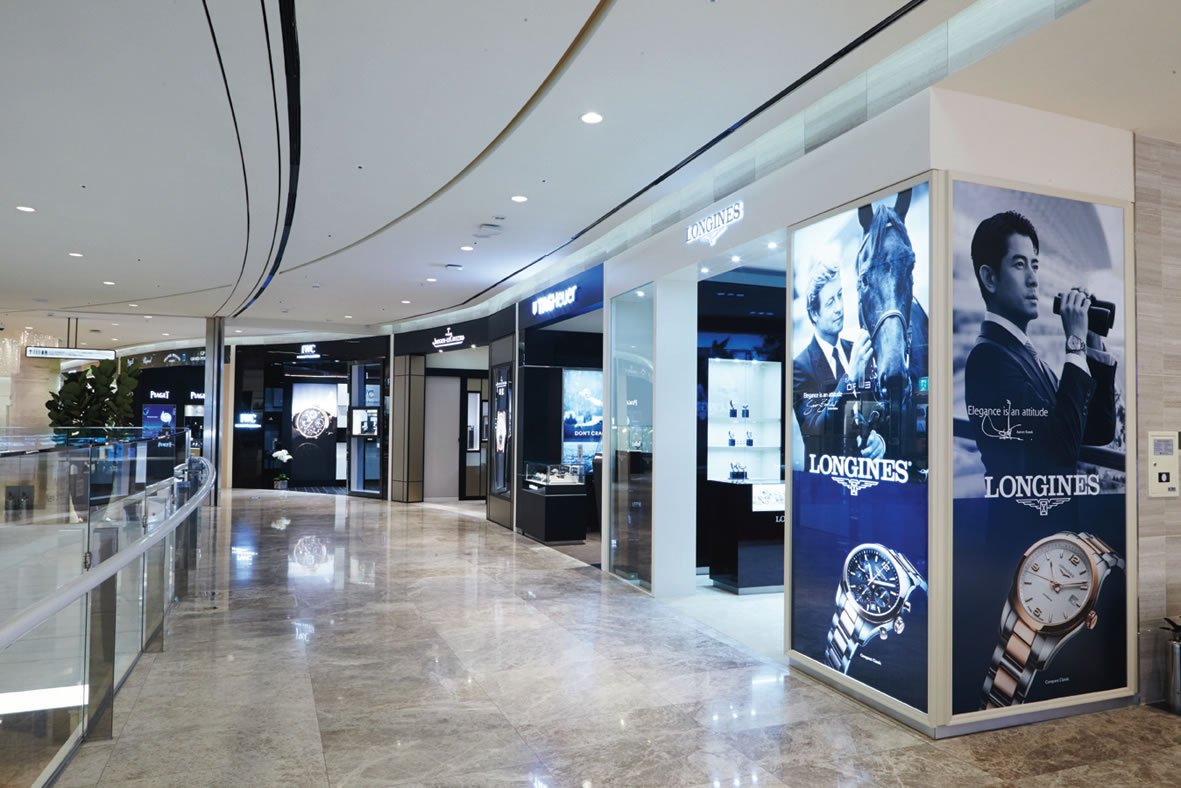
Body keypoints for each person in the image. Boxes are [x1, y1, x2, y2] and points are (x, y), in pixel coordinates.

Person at [964, 211, 1116, 478]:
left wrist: (1091, 340)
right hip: (1020, 506)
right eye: (1019, 265)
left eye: (1034, 266)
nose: (1034, 279)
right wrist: (1075, 343)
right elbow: (1061, 449)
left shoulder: (1029, 358)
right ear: (989, 278)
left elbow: (1096, 430)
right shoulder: (988, 359)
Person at [793, 261, 884, 460]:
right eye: (830, 302)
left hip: (866, 473)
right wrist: (850, 377)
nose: (839, 308)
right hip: (826, 474)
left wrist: (880, 440)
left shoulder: (858, 351)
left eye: (840, 296)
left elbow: (880, 409)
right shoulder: (799, 367)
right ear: (814, 314)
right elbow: (815, 432)